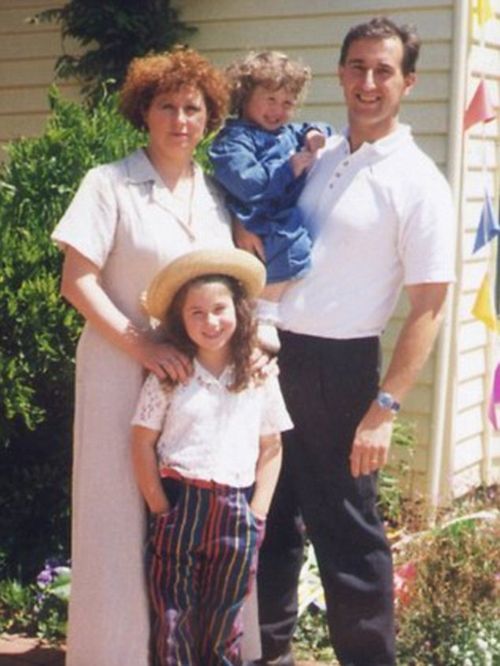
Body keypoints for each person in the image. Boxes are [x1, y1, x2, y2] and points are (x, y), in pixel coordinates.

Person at [238, 18, 456, 666]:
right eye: (357, 67)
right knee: (269, 522)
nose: (368, 82)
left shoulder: (419, 183)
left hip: (342, 371)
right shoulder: (322, 153)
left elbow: (430, 307)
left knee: (348, 537)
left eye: (383, 70)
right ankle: (266, 654)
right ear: (340, 73)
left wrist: (383, 409)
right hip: (273, 353)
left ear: (408, 82)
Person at [51, 48, 237, 666]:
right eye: (167, 106)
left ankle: (183, 649)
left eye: (193, 108)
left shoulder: (216, 194)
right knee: (117, 511)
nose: (180, 119)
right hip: (116, 366)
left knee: (184, 513)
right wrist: (143, 345)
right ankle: (114, 652)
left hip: (193, 382)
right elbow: (76, 281)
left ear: (209, 118)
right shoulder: (108, 183)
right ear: (143, 112)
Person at [131, 247, 293, 665]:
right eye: (196, 313)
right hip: (181, 504)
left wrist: (257, 514)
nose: (210, 321)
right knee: (174, 620)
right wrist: (160, 506)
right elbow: (142, 442)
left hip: (237, 510)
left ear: (238, 310)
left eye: (219, 309)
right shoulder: (171, 376)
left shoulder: (257, 375)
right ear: (181, 322)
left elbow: (272, 447)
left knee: (226, 623)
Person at [209, 51, 333, 352]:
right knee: (288, 245)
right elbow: (246, 182)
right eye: (270, 99)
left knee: (294, 245)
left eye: (288, 103)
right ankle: (262, 314)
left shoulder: (287, 133)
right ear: (246, 95)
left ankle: (262, 310)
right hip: (254, 215)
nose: (278, 110)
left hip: (277, 215)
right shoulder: (234, 138)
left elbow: (320, 128)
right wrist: (287, 169)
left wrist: (316, 133)